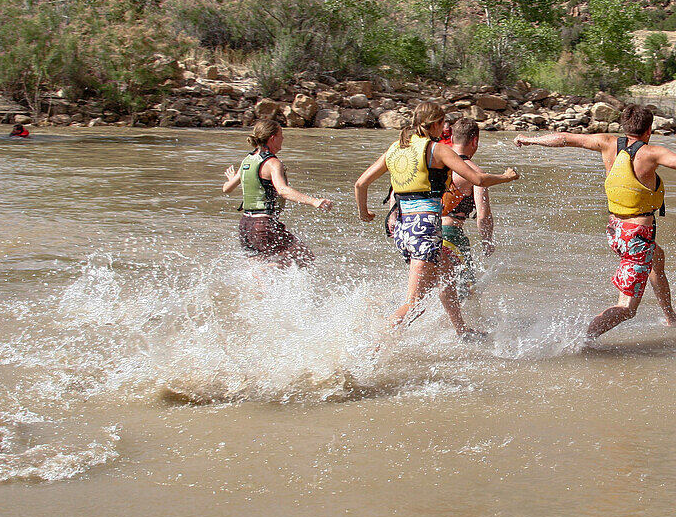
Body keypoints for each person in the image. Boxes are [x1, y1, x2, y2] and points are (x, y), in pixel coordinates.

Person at [514, 104, 676, 341]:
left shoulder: (606, 143)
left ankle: (670, 316)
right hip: (637, 236)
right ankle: (579, 339)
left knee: (657, 258)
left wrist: (530, 140)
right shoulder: (650, 153)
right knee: (627, 309)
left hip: (616, 232)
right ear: (649, 130)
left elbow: (564, 138)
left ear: (625, 127)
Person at [354, 102, 519, 341]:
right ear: (437, 125)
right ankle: (370, 350)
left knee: (446, 273)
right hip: (425, 231)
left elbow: (360, 184)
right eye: (443, 124)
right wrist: (506, 177)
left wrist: (363, 213)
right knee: (416, 303)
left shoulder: (395, 148)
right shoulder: (437, 150)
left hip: (403, 229)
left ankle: (462, 330)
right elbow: (478, 179)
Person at [222, 120, 332, 267]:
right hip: (263, 225)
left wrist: (233, 177)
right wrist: (314, 201)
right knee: (305, 258)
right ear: (273, 138)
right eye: (281, 135)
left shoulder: (247, 161)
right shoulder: (273, 163)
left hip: (245, 226)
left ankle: (263, 278)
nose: (283, 139)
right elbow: (283, 190)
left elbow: (227, 188)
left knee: (257, 268)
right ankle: (269, 269)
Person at [440, 118, 497, 301]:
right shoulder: (474, 172)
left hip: (426, 231)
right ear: (475, 141)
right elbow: (483, 215)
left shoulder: (435, 164)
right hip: (451, 235)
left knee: (430, 287)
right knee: (466, 292)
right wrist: (487, 241)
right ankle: (467, 327)